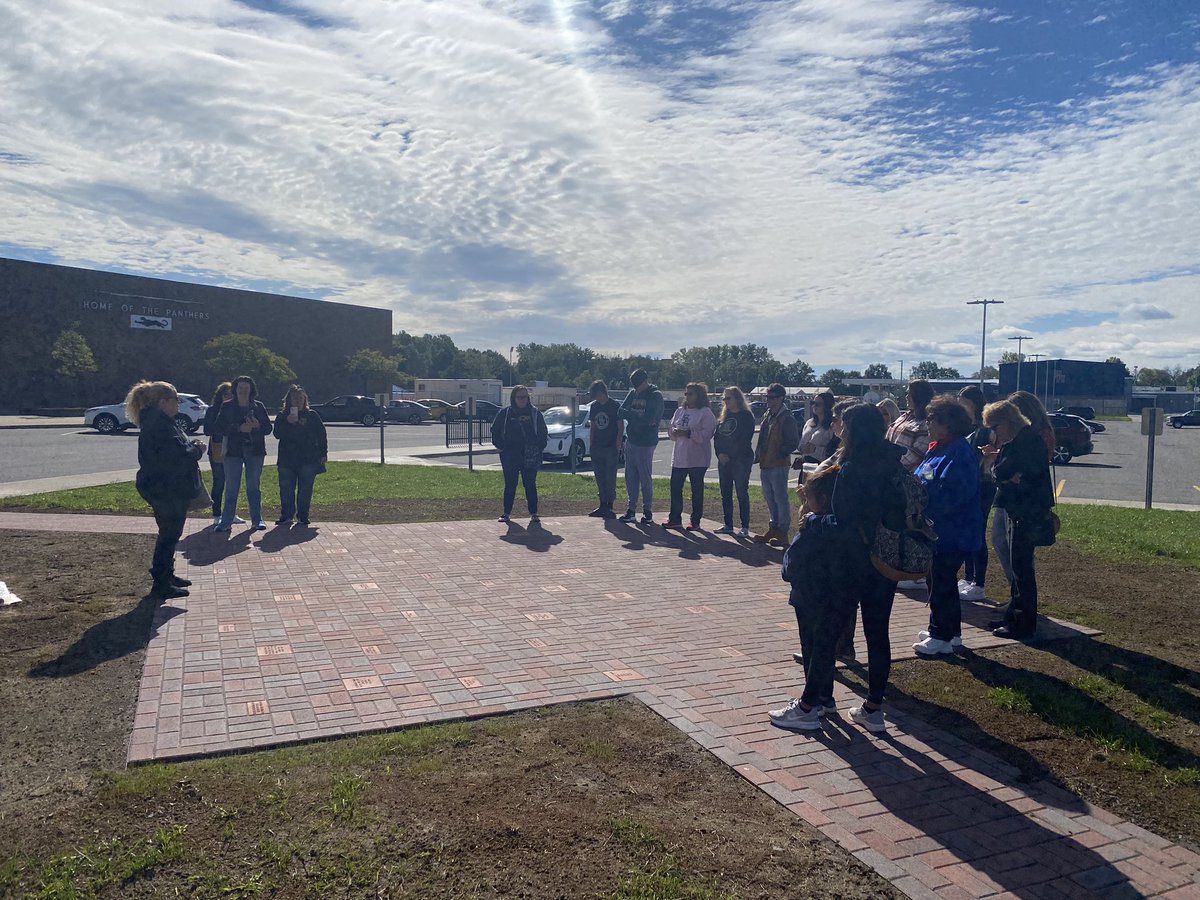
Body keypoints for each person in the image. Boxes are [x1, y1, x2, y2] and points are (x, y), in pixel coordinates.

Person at [768, 403, 905, 733]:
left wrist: (814, 519)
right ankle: (873, 708)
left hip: (847, 563)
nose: (839, 429)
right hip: (884, 562)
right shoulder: (894, 462)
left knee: (825, 633)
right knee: (877, 633)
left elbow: (843, 522)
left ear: (854, 430)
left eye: (844, 425)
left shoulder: (853, 469)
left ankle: (810, 706)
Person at [912, 396, 983, 656]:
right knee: (941, 581)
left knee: (941, 581)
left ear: (947, 422)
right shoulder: (940, 447)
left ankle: (941, 635)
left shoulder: (959, 452)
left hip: (952, 532)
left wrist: (926, 503)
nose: (927, 423)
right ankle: (949, 632)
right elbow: (926, 475)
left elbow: (957, 493)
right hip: (938, 529)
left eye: (931, 419)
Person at [982, 399, 1054, 639]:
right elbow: (1001, 472)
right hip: (1018, 508)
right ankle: (1013, 614)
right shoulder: (1019, 441)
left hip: (1026, 511)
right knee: (1017, 565)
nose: (994, 433)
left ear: (1008, 422)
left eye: (995, 427)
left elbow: (1001, 470)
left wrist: (1001, 471)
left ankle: (1023, 623)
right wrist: (1003, 473)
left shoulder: (1027, 441)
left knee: (1022, 568)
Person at [129, 381, 205, 599]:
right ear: (164, 402)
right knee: (169, 535)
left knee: (170, 534)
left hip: (165, 487)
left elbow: (174, 451)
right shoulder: (160, 425)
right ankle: (161, 582)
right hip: (166, 489)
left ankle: (166, 574)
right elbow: (176, 457)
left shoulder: (160, 421)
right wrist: (197, 450)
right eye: (176, 400)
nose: (179, 404)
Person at [781, 465, 843, 715]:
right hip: (834, 592)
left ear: (823, 499)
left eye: (808, 498)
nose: (805, 503)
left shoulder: (812, 527)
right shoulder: (839, 527)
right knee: (826, 646)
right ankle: (826, 698)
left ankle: (813, 701)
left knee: (811, 647)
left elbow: (792, 563)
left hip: (808, 593)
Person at [991, 391, 1055, 589]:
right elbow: (1002, 469)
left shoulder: (1036, 435)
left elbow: (1030, 468)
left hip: (1026, 502)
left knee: (1020, 554)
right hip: (1008, 497)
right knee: (1001, 542)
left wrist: (1007, 471)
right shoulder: (1015, 436)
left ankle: (1020, 600)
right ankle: (1015, 595)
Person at [214, 375, 272, 532]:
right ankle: (226, 521)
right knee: (232, 487)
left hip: (255, 451)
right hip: (233, 452)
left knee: (254, 486)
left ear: (251, 390)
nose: (243, 391)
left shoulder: (258, 407)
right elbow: (219, 428)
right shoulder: (227, 406)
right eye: (240, 388)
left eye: (246, 389)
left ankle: (257, 519)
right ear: (235, 389)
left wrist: (258, 426)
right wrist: (238, 428)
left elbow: (268, 429)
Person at [957, 385, 994, 602]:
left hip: (983, 485)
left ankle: (979, 583)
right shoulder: (969, 427)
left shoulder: (985, 428)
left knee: (977, 533)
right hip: (969, 485)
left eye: (963, 401)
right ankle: (969, 577)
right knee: (968, 531)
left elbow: (986, 455)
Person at [491, 385, 549, 524]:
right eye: (519, 397)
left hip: (530, 455)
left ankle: (534, 513)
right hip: (510, 455)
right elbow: (495, 430)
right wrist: (501, 447)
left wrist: (539, 447)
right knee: (510, 484)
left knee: (530, 484)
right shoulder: (505, 413)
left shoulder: (535, 413)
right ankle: (506, 513)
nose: (522, 400)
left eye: (525, 397)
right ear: (513, 398)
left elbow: (543, 432)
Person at [663, 383, 717, 530]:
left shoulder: (705, 412)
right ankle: (674, 518)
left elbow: (707, 434)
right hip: (680, 457)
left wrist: (688, 433)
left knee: (696, 490)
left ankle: (695, 521)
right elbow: (671, 428)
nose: (687, 396)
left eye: (691, 394)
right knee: (675, 488)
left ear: (699, 395)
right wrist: (674, 432)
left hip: (697, 458)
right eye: (686, 393)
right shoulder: (681, 410)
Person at [273, 385, 328, 527]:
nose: (297, 400)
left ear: (305, 399)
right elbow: (277, 434)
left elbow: (321, 435)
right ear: (289, 400)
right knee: (286, 489)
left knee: (305, 489)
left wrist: (323, 453)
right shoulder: (282, 416)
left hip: (308, 458)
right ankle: (286, 516)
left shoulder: (312, 415)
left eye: (300, 398)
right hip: (287, 459)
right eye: (294, 398)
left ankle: (303, 516)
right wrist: (288, 422)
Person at [753, 383, 800, 547]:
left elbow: (793, 441)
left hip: (778, 464)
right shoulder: (769, 415)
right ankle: (773, 527)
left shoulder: (786, 417)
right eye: (767, 397)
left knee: (780, 498)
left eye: (772, 397)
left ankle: (782, 531)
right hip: (766, 463)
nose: (768, 400)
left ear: (781, 398)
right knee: (769, 497)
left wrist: (779, 453)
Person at [618, 369, 664, 524]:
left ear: (645, 381)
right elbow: (620, 411)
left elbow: (650, 419)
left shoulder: (655, 395)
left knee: (645, 477)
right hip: (632, 440)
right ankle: (631, 510)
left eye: (639, 384)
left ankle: (648, 511)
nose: (637, 388)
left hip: (646, 442)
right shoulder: (632, 394)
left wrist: (633, 416)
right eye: (634, 385)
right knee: (630, 477)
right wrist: (637, 417)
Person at [713, 386, 755, 536]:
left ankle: (744, 526)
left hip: (741, 460)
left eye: (728, 398)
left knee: (741, 492)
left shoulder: (746, 416)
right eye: (724, 399)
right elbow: (717, 438)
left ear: (737, 398)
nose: (725, 401)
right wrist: (720, 454)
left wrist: (730, 454)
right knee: (726, 492)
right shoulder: (723, 418)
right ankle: (728, 524)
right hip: (724, 461)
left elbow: (744, 439)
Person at [202, 381, 243, 526]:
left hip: (234, 449)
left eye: (232, 394)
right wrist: (222, 426)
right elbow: (207, 430)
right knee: (219, 481)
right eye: (226, 394)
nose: (230, 396)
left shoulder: (237, 409)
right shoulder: (213, 410)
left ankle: (231, 513)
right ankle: (217, 513)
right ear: (220, 396)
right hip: (217, 448)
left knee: (233, 483)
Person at [586, 381, 623, 520]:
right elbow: (593, 426)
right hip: (597, 446)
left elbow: (620, 427)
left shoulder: (614, 406)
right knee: (599, 476)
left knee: (610, 477)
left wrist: (618, 444)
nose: (595, 397)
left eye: (596, 394)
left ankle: (610, 505)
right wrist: (591, 444)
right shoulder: (594, 407)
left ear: (602, 392)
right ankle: (602, 504)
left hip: (610, 447)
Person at [887, 379, 935, 473]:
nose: (906, 397)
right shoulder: (904, 417)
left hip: (903, 477)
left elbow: (914, 456)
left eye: (910, 394)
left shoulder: (927, 423)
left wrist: (886, 463)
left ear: (920, 397)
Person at [798, 389, 836, 463]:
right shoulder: (809, 422)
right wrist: (802, 448)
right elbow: (801, 443)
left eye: (818, 404)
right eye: (813, 403)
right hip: (806, 465)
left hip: (821, 466)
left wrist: (815, 449)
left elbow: (834, 451)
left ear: (827, 406)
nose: (814, 406)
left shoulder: (833, 425)